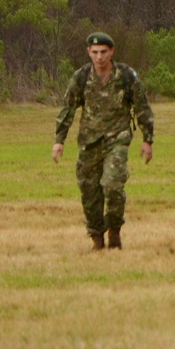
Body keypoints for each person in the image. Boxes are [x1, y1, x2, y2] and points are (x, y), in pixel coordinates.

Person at [52, 32, 154, 250]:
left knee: (113, 185)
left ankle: (114, 231)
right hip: (89, 142)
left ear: (112, 51)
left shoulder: (126, 76)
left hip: (117, 140)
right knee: (89, 192)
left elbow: (142, 107)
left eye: (104, 52)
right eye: (95, 52)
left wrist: (148, 140)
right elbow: (68, 108)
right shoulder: (81, 77)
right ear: (89, 52)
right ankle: (97, 239)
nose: (99, 57)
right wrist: (59, 140)